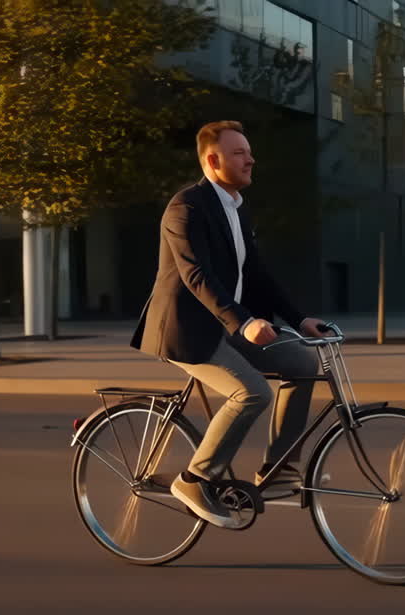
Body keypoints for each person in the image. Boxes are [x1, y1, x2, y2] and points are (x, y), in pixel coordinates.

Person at [130, 120, 331, 529]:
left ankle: (278, 471)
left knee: (304, 364)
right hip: (187, 332)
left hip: (228, 327)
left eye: (248, 151)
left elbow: (256, 274)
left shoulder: (236, 209)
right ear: (212, 159)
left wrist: (299, 318)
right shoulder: (186, 208)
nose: (250, 159)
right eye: (240, 153)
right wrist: (244, 322)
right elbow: (196, 276)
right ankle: (195, 478)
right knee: (252, 392)